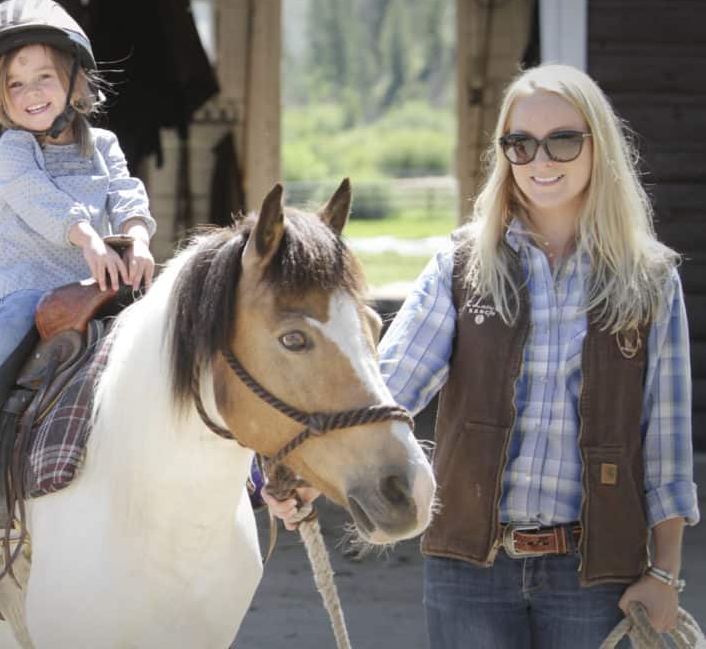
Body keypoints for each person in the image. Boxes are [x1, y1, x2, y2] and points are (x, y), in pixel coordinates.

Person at [266, 64, 698, 647]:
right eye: (520, 144)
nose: (541, 161)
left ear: (600, 146)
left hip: (596, 573)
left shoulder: (650, 281)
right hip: (470, 569)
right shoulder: (461, 267)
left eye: (563, 141)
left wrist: (664, 572)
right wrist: (306, 475)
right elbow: (388, 390)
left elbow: (665, 446)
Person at [0, 0, 156, 488]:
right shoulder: (15, 149)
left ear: (74, 80)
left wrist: (137, 236)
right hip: (32, 282)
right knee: (10, 329)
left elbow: (125, 191)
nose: (31, 92)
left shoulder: (103, 145)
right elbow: (36, 199)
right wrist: (87, 236)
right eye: (15, 84)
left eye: (43, 77)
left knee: (171, 330)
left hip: (98, 280)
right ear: (1, 97)